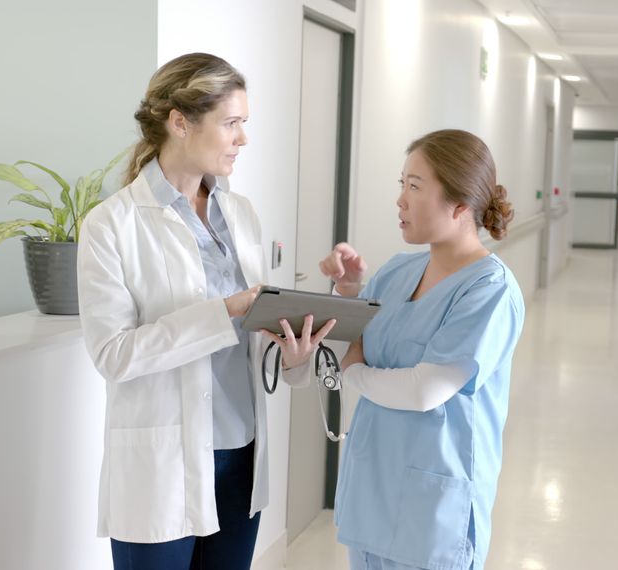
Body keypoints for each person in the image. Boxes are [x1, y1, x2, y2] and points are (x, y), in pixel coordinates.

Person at [77, 52, 333, 570]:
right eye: (231, 123)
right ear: (179, 123)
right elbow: (113, 354)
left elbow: (250, 338)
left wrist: (293, 356)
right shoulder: (112, 225)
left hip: (242, 453)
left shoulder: (240, 214)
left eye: (245, 123)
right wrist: (225, 311)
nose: (244, 138)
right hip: (164, 463)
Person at [313, 129, 525, 570]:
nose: (400, 201)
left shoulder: (490, 290)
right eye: (401, 185)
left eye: (415, 187)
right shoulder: (397, 271)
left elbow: (424, 390)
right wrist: (349, 291)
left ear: (461, 204)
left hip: (433, 512)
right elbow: (354, 342)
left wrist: (352, 374)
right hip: (373, 490)